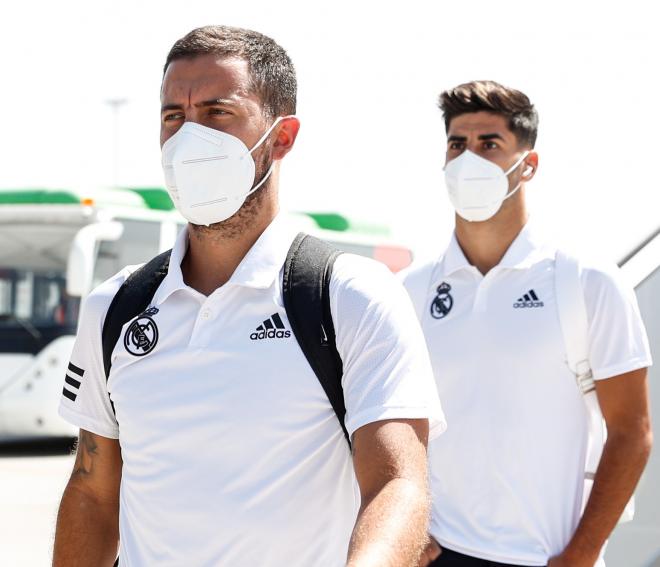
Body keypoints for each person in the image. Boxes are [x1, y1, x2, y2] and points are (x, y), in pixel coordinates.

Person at [52, 26, 445, 567]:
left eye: (217, 113)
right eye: (174, 117)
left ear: (281, 137)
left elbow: (398, 486)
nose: (190, 137)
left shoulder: (350, 295)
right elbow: (92, 493)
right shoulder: (114, 307)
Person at [400, 80, 653, 567]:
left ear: (528, 164)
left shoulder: (587, 281)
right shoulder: (409, 290)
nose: (469, 158)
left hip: (546, 559)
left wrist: (581, 554)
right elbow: (375, 420)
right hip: (436, 554)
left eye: (489, 144)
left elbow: (632, 431)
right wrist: (407, 529)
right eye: (457, 144)